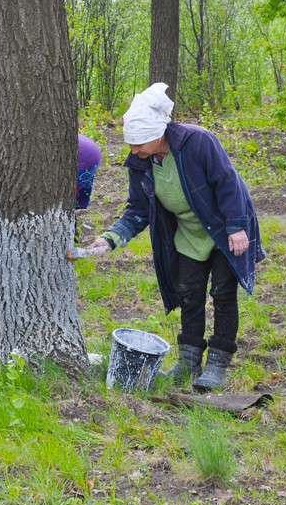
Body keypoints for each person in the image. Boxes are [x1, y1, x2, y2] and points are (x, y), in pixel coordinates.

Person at [86, 83, 264, 390]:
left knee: (223, 293)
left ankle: (218, 364)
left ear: (158, 134)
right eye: (131, 144)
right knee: (188, 293)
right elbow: (138, 209)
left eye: (138, 143)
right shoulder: (141, 162)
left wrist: (237, 226)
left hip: (224, 229)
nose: (134, 150)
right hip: (189, 233)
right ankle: (188, 362)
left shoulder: (198, 142)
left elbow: (227, 182)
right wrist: (112, 238)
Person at [67, 134, 103, 260]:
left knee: (66, 199)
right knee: (70, 197)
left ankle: (70, 239)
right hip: (87, 150)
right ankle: (71, 236)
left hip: (84, 156)